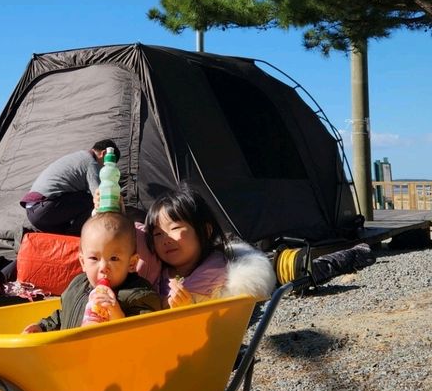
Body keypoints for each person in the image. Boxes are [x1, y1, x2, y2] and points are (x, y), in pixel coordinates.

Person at [22, 211, 161, 332]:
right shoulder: (77, 286)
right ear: (83, 262)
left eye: (114, 258)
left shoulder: (138, 294)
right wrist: (42, 327)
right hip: (73, 355)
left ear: (131, 263)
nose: (103, 267)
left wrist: (118, 317)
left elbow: (146, 333)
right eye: (94, 258)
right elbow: (63, 315)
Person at [144, 187, 276, 308]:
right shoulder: (159, 269)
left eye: (175, 228)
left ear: (205, 231)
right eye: (158, 233)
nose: (165, 240)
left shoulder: (214, 267)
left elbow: (194, 304)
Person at [20, 139, 120, 235]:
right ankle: (77, 237)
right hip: (44, 209)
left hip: (33, 211)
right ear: (103, 154)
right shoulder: (91, 163)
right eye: (107, 164)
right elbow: (99, 198)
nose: (104, 169)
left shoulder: (79, 156)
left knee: (65, 232)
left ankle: (71, 237)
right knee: (91, 200)